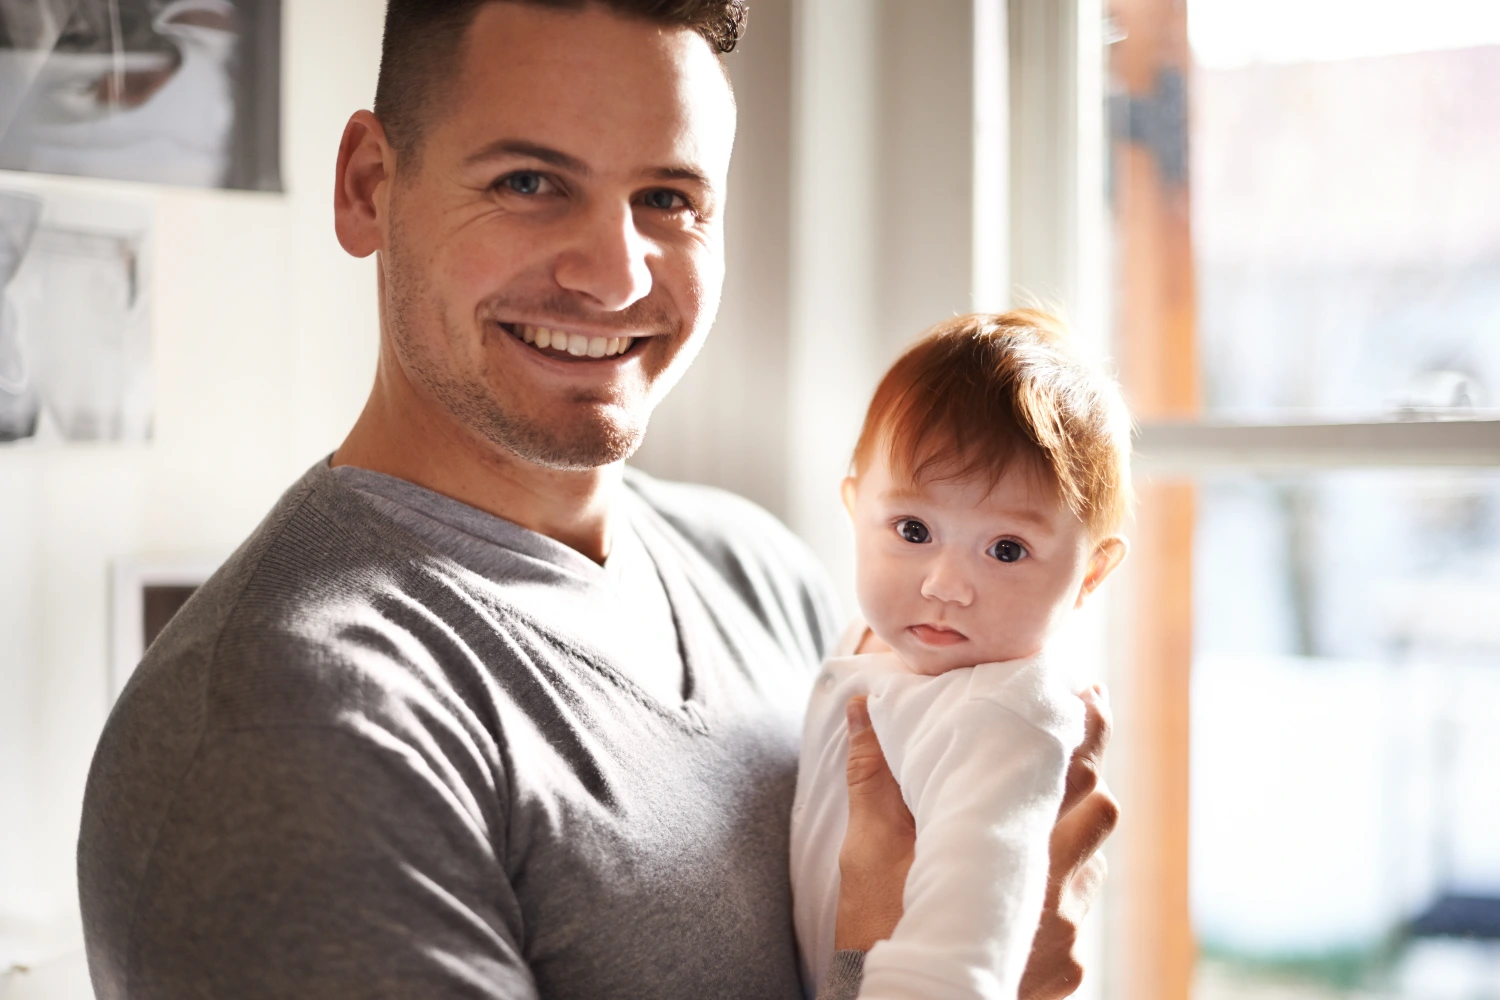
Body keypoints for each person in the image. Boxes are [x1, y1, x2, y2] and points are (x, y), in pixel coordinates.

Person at [76, 3, 1119, 998]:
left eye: (669, 199)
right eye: (530, 181)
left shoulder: (760, 574)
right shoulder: (290, 725)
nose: (615, 277)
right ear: (367, 186)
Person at [791, 312, 1130, 998]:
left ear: (1091, 574)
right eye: (913, 529)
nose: (944, 585)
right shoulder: (869, 633)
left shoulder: (1007, 717)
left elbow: (952, 975)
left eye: (1006, 549)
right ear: (857, 509)